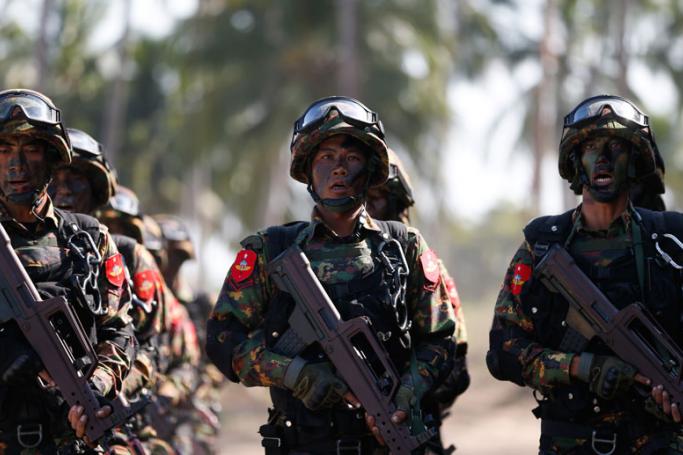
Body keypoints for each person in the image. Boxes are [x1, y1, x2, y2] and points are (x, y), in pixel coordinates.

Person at [206, 96, 456, 454]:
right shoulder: (270, 250)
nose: (339, 169)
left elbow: (439, 339)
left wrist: (406, 396)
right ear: (308, 171)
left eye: (352, 158)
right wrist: (294, 374)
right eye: (326, 158)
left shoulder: (405, 246)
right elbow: (223, 340)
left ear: (369, 173)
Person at [487, 94, 683, 454]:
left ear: (634, 161)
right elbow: (504, 351)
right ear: (576, 162)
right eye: (592, 147)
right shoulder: (543, 246)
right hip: (569, 441)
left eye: (616, 148)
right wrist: (581, 367)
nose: (604, 158)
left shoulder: (670, 242)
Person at [0, 89, 137, 453]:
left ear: (51, 159)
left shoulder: (89, 238)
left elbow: (120, 332)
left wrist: (97, 386)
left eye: (30, 150)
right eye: (4, 151)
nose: (16, 165)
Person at [365, 148, 469, 454]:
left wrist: (404, 393)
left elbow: (455, 368)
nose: (366, 207)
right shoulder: (310, 260)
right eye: (362, 195)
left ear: (397, 205)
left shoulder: (420, 263)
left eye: (377, 197)